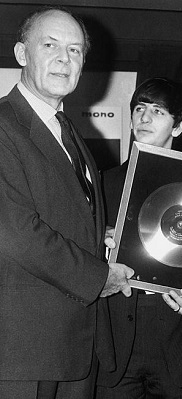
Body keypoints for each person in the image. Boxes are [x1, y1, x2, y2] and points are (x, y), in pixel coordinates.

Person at [0, 6, 133, 399]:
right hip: (26, 350)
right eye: (51, 45)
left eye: (75, 51)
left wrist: (102, 238)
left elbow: (66, 215)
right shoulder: (4, 126)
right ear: (22, 54)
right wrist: (98, 277)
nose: (64, 59)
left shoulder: (68, 130)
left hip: (76, 347)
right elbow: (17, 233)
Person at [96, 77, 182, 398]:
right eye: (139, 108)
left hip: (176, 342)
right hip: (115, 349)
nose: (144, 118)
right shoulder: (102, 183)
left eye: (158, 111)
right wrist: (99, 243)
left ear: (179, 126)